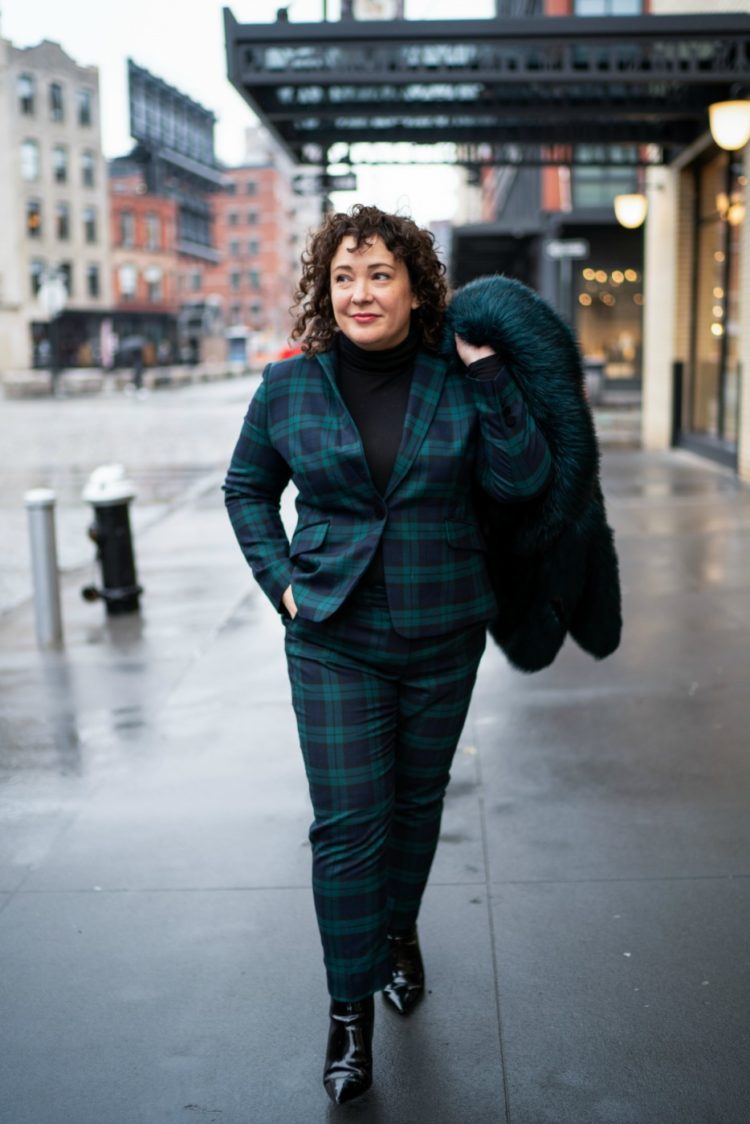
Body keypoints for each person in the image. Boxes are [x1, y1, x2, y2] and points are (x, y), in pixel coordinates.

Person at [223, 204, 552, 1105]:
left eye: (379, 274)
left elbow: (524, 479)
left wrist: (489, 375)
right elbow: (247, 487)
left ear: (416, 286)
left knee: (415, 808)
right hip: (332, 635)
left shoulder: (461, 373)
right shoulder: (291, 384)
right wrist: (283, 585)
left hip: (442, 630)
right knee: (347, 827)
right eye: (343, 277)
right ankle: (347, 1014)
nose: (360, 292)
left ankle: (398, 929)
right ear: (325, 292)